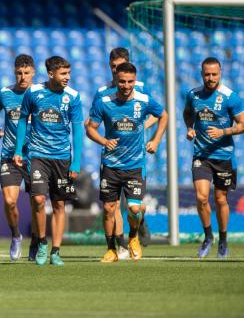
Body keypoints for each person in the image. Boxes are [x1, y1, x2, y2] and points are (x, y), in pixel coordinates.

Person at [86, 62, 168, 263]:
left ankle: (133, 236)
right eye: (122, 81)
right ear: (116, 80)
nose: (126, 85)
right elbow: (90, 128)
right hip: (111, 164)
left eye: (130, 81)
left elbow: (163, 115)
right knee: (108, 209)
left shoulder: (144, 100)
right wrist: (104, 141)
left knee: (134, 209)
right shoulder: (103, 101)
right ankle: (111, 249)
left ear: (135, 80)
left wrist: (156, 140)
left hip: (135, 165)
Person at [13, 56, 82, 266]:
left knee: (59, 204)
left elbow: (78, 129)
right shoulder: (33, 93)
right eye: (63, 74)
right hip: (38, 155)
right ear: (51, 74)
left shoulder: (73, 97)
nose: (67, 78)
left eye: (68, 73)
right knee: (38, 200)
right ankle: (42, 242)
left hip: (62, 157)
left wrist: (76, 161)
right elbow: (23, 119)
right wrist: (18, 150)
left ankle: (56, 251)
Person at [183, 57, 244, 259]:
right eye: (207, 74)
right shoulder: (193, 94)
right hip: (202, 155)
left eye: (214, 74)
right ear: (202, 74)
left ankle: (224, 240)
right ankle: (208, 236)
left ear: (220, 73)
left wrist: (224, 132)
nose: (210, 78)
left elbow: (242, 124)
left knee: (220, 199)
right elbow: (187, 114)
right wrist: (190, 128)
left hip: (223, 156)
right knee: (201, 197)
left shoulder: (230, 97)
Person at [0, 54, 38, 262]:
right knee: (9, 201)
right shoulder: (5, 93)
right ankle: (16, 235)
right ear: (14, 72)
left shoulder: (41, 95)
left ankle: (36, 242)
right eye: (19, 73)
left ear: (33, 73)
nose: (22, 77)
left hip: (36, 156)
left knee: (38, 202)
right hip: (9, 155)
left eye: (26, 73)